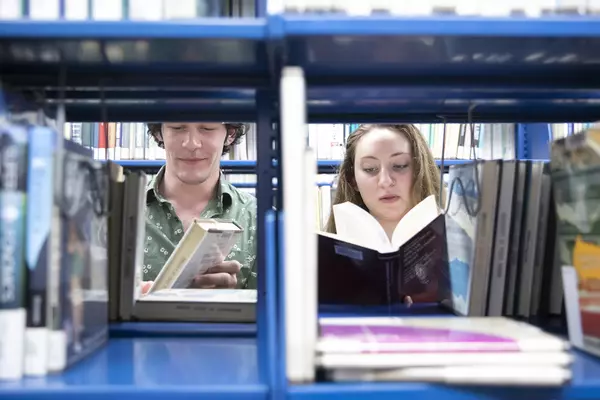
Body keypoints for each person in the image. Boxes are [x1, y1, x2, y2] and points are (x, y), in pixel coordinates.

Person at [324, 124, 443, 304]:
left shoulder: (459, 244)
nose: (386, 181)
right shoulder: (322, 254)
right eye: (370, 168)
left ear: (419, 170)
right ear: (353, 179)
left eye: (400, 165)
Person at [141, 122, 257, 292]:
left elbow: (274, 311)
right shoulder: (118, 211)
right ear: (159, 132)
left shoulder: (257, 218)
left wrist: (230, 304)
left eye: (207, 128)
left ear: (230, 134)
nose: (191, 143)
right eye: (177, 127)